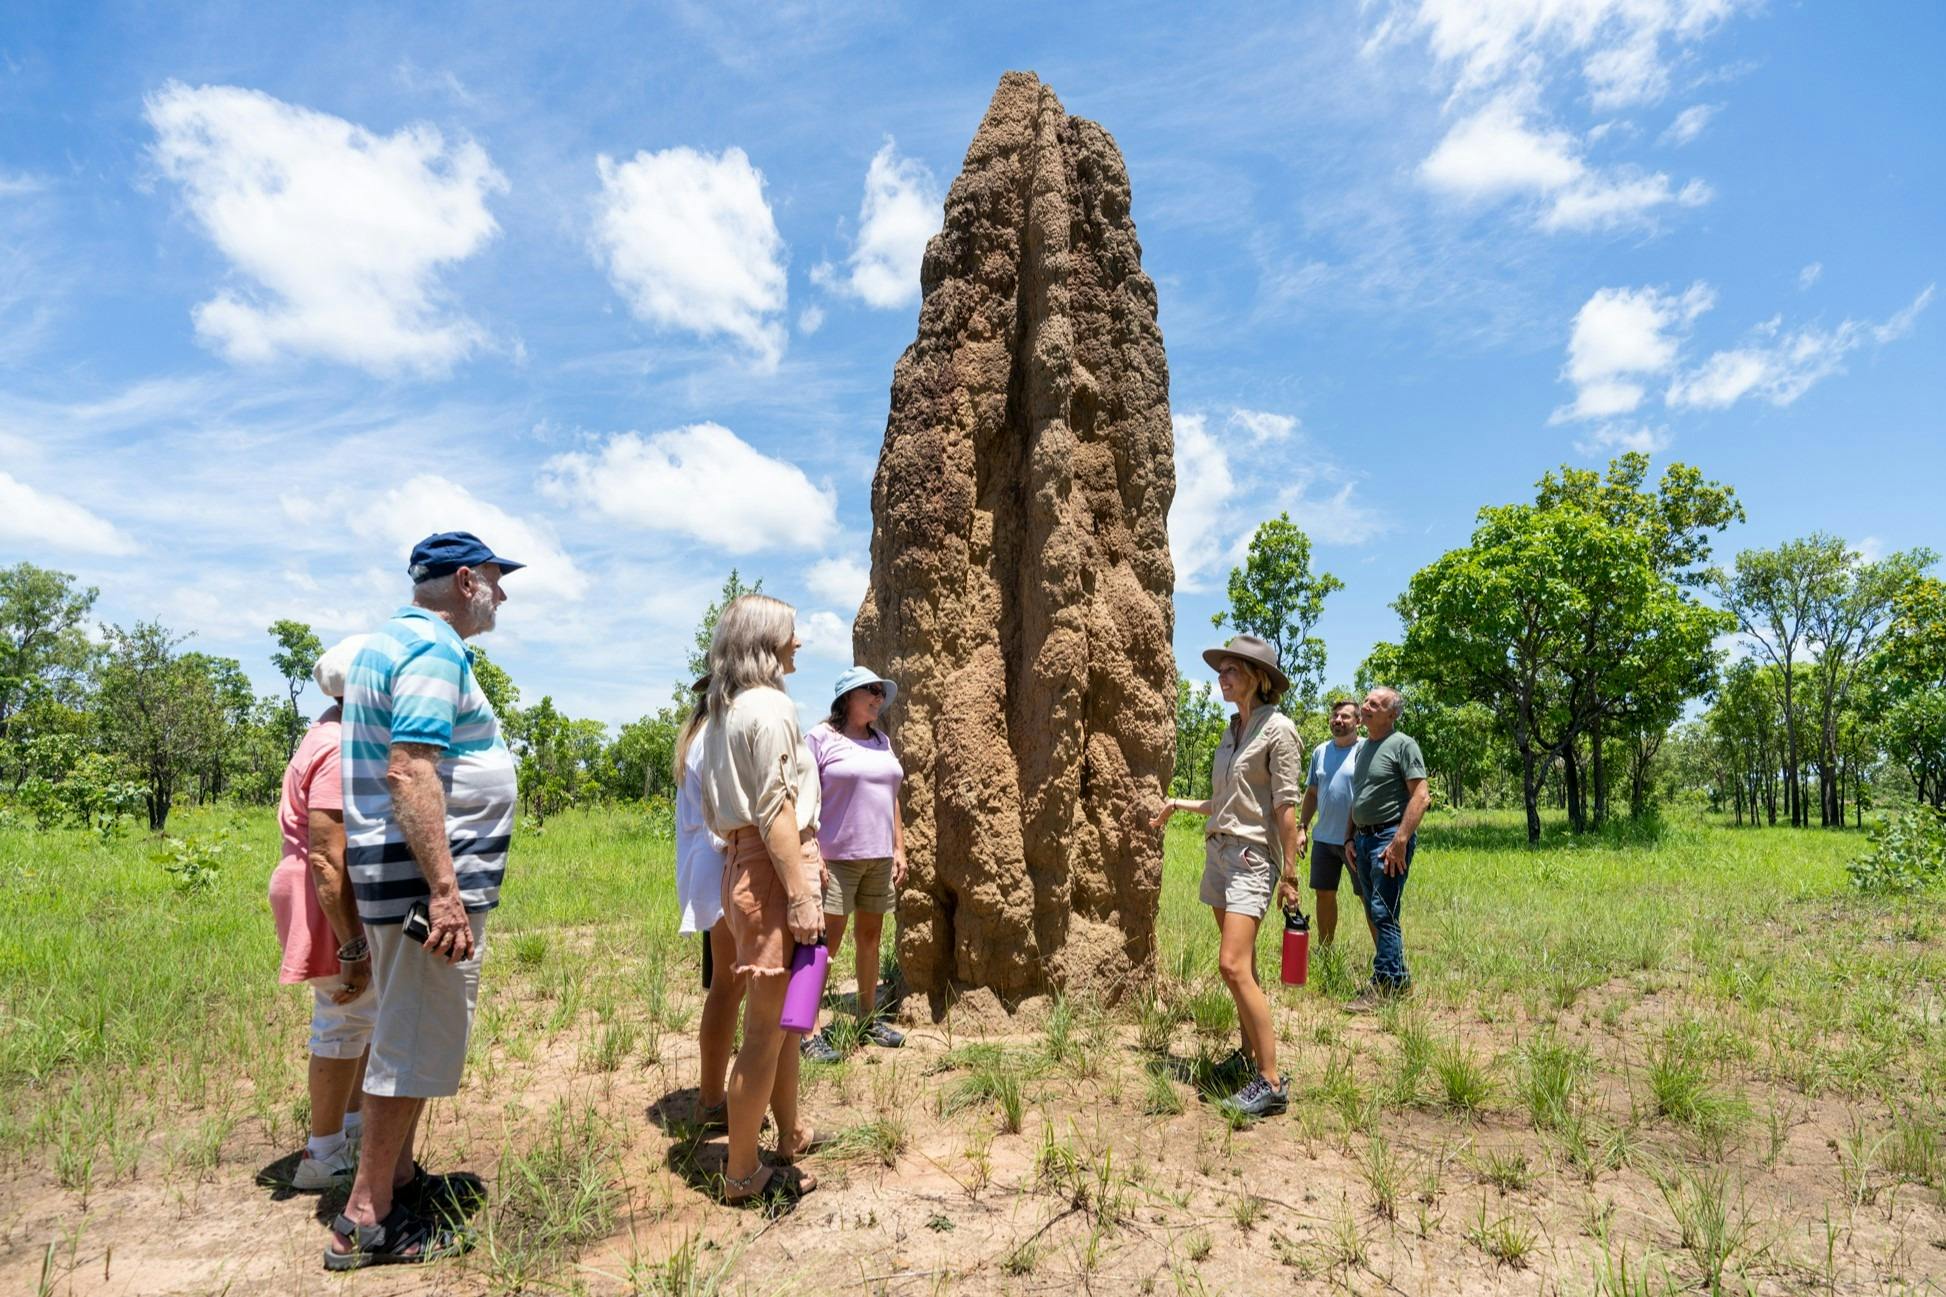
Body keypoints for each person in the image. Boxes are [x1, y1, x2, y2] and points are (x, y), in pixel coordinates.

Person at [326, 532, 522, 1270]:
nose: (501, 597)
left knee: (405, 1034)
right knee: (409, 1044)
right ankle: (367, 1219)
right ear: (466, 580)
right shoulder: (436, 650)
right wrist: (445, 892)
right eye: (497, 582)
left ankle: (399, 1179)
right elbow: (410, 771)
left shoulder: (384, 644)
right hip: (421, 886)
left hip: (397, 878)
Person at [696, 594, 824, 1205]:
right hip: (775, 869)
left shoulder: (723, 710)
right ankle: (742, 1173)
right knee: (766, 1032)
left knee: (783, 1026)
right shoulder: (771, 706)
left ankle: (788, 1137)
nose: (798, 643)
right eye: (792, 634)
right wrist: (800, 893)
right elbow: (777, 808)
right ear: (768, 640)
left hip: (745, 864)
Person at [1151, 634, 1300, 1119]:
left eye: (1233, 670)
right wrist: (1180, 804)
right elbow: (1227, 802)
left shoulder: (1278, 731)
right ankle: (1250, 1056)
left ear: (1258, 678)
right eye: (1222, 670)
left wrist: (1291, 875)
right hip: (1219, 853)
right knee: (1245, 970)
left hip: (1253, 859)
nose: (1223, 677)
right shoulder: (1231, 729)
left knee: (1232, 966)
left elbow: (1284, 807)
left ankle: (1271, 1082)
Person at [269, 636, 375, 1190]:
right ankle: (325, 1150)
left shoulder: (325, 730)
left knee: (360, 1017)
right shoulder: (338, 745)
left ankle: (350, 1131)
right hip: (324, 896)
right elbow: (327, 856)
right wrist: (352, 943)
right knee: (343, 1014)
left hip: (320, 891)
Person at [800, 666, 906, 1064]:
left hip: (878, 858)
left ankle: (866, 1018)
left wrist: (899, 847)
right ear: (847, 697)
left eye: (881, 692)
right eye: (871, 691)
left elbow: (891, 796)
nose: (878, 698)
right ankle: (804, 1029)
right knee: (823, 946)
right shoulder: (820, 738)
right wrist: (809, 847)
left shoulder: (882, 741)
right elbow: (802, 796)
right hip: (835, 860)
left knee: (871, 938)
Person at [673, 676, 739, 1126]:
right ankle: (712, 1100)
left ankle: (714, 1097)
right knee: (728, 987)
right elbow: (725, 821)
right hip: (722, 868)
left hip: (711, 870)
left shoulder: (702, 734)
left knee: (728, 986)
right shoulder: (714, 737)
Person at [1342, 687, 1430, 1002]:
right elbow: (1359, 796)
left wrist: (1400, 840)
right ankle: (1399, 979)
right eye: (1365, 701)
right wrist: (1349, 837)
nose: (1365, 706)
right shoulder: (1364, 748)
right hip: (1363, 840)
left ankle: (1386, 986)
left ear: (1391, 715)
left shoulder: (1403, 745)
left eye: (1374, 704)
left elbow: (1421, 795)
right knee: (1374, 907)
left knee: (1384, 912)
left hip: (1388, 839)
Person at [1295, 698, 1367, 950]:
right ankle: (1326, 951)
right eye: (1335, 716)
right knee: (1324, 894)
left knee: (1366, 897)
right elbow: (1312, 793)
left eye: (1345, 716)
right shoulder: (1320, 752)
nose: (1338, 720)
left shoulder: (1367, 750)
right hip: (1324, 839)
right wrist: (1302, 827)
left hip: (1357, 840)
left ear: (1358, 721)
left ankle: (1385, 958)